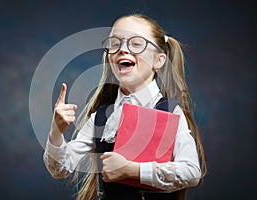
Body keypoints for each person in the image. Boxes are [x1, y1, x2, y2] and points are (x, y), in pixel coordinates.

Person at [43, 14, 207, 200]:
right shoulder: (102, 117)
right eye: (115, 43)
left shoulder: (169, 111)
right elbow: (61, 169)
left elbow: (191, 171)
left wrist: (131, 170)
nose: (122, 49)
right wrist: (56, 131)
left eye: (136, 43)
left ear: (159, 60)